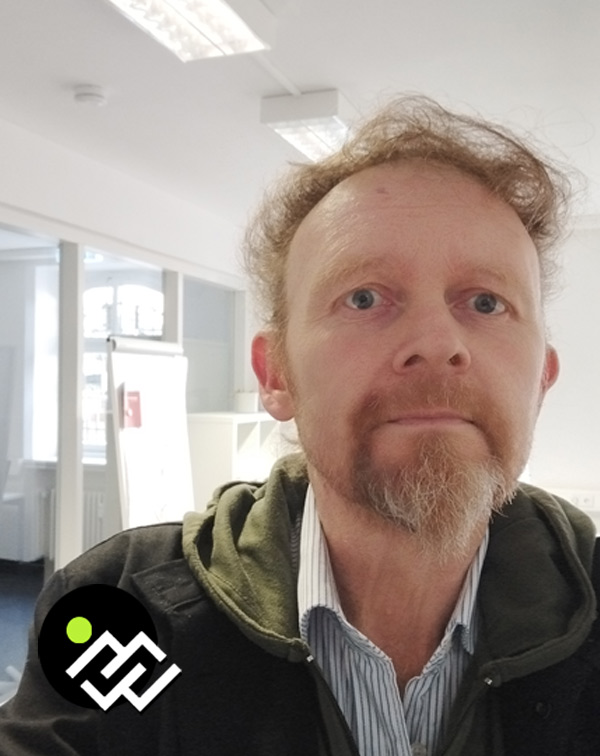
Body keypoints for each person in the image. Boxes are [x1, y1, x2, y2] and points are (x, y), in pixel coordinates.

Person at [0, 96, 599, 756]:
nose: (436, 343)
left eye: (486, 302)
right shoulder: (123, 613)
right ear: (277, 374)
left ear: (540, 380)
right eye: (364, 297)